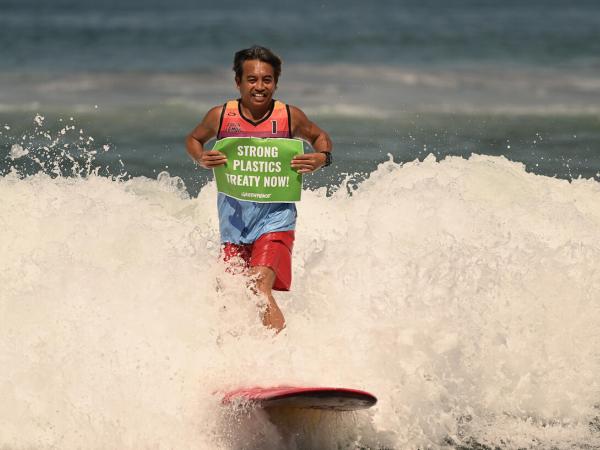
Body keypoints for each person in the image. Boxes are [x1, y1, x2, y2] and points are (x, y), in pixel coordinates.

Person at [186, 46, 332, 333]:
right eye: (252, 79)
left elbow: (319, 136)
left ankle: (278, 358)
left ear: (276, 83)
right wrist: (201, 158)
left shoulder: (290, 116)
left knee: (256, 286)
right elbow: (193, 138)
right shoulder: (221, 116)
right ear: (238, 82)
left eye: (267, 80)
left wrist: (322, 159)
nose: (260, 86)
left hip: (276, 220)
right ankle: (235, 359)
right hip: (234, 225)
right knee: (226, 296)